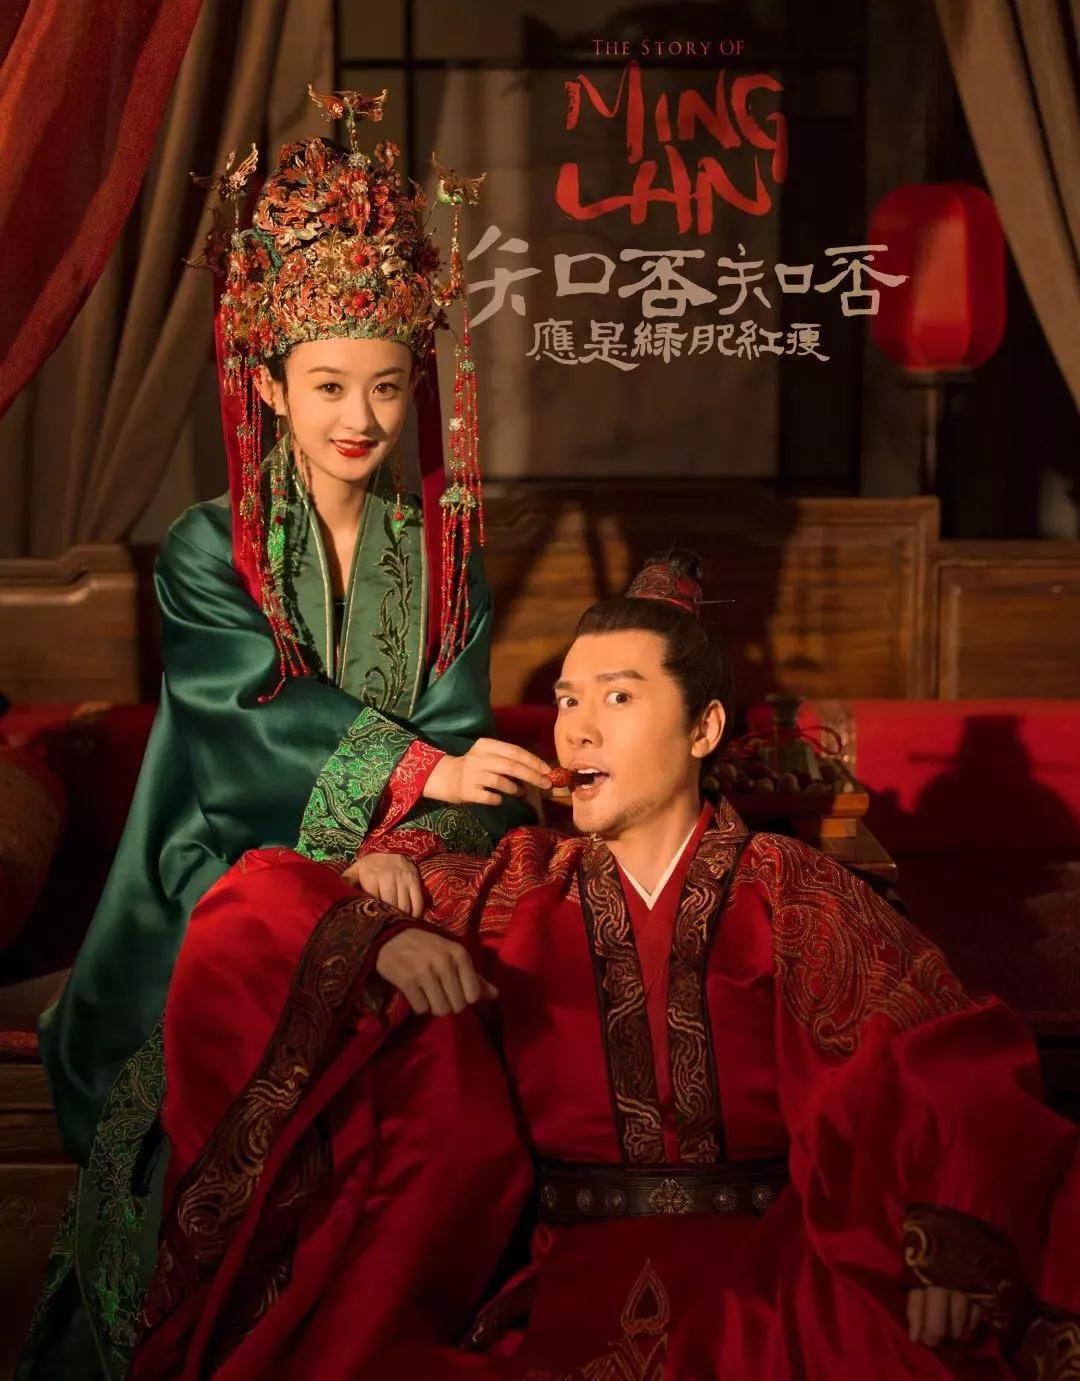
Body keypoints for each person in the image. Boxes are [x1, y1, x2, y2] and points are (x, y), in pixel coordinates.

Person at [108, 550, 1078, 1380]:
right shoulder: (515, 888)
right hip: (558, 1286)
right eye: (568, 700)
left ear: (703, 729)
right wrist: (374, 930)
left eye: (617, 697)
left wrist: (950, 1240)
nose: (576, 727)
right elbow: (253, 913)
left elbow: (934, 1049)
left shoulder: (790, 887)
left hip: (770, 1278)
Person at [20, 88, 552, 1378]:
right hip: (213, 874)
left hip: (394, 875)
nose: (358, 417)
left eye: (385, 385)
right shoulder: (210, 548)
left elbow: (465, 748)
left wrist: (404, 848)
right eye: (325, 385)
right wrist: (416, 774)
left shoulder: (445, 557)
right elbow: (237, 734)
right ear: (268, 382)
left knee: (451, 1102)